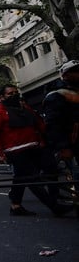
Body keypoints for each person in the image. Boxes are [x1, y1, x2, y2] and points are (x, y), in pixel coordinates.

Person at [0, 84, 67, 217]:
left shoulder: (26, 109)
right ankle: (54, 206)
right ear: (1, 97)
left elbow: (39, 125)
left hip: (35, 148)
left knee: (47, 170)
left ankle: (16, 205)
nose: (14, 95)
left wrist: (46, 142)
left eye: (15, 92)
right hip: (16, 151)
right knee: (31, 179)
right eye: (10, 93)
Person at [43, 59, 79, 211]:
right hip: (73, 143)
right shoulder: (56, 96)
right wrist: (63, 146)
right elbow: (53, 124)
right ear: (65, 75)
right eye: (75, 71)